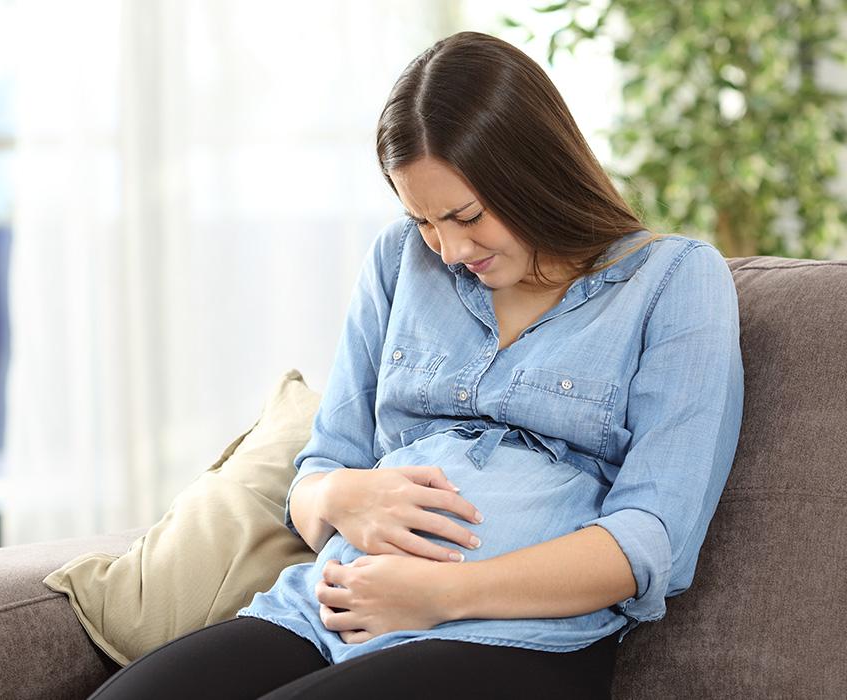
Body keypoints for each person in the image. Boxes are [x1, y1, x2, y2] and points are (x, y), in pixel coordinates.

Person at [87, 30, 744, 699]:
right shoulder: (400, 259)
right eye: (425, 220)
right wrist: (344, 496)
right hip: (325, 608)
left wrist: (442, 593)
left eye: (467, 216)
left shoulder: (673, 281)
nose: (449, 249)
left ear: (535, 174)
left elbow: (651, 540)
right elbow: (317, 476)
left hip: (512, 635)